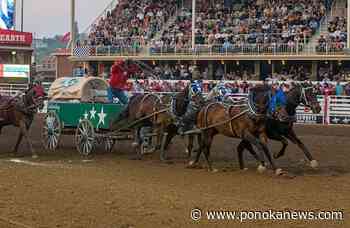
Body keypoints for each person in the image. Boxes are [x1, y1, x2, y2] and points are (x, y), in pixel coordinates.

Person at [176, 69, 205, 134]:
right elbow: (190, 94)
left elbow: (199, 93)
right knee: (189, 112)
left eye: (197, 75)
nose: (197, 76)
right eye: (196, 75)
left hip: (198, 101)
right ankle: (181, 125)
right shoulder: (192, 84)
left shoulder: (199, 84)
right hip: (191, 101)